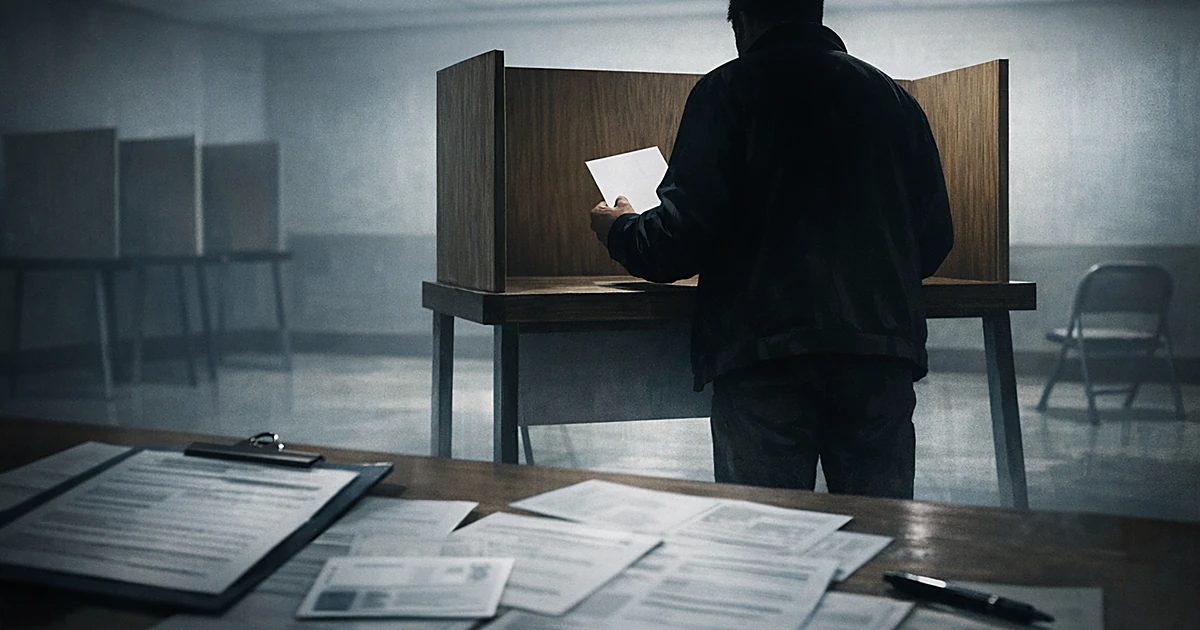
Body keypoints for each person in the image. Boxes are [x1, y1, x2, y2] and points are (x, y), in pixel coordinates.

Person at [587, 0, 954, 499]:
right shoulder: (893, 99)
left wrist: (619, 228)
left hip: (764, 356)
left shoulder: (726, 91)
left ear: (743, 19)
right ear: (816, 12)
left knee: (765, 540)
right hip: (879, 355)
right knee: (882, 538)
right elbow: (933, 240)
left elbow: (677, 243)